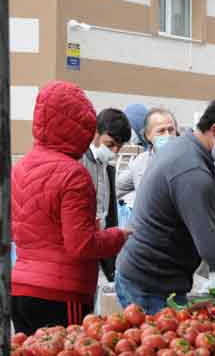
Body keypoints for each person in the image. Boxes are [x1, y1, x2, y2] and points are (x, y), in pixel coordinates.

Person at [115, 93, 215, 318]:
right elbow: (210, 247)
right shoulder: (191, 169)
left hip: (154, 278)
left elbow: (183, 211)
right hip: (149, 284)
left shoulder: (184, 148)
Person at [11, 81, 130, 334]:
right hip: (61, 292)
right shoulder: (73, 174)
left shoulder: (20, 167)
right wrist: (118, 236)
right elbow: (81, 245)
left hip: (20, 287)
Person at [81, 108, 132, 282]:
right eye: (110, 144)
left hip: (99, 251)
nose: (114, 151)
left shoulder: (107, 168)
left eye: (119, 147)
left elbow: (109, 216)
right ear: (96, 132)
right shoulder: (79, 161)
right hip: (81, 246)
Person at [117, 108, 178, 207]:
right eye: (161, 131)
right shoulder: (140, 162)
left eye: (171, 130)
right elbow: (116, 187)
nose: (167, 135)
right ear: (147, 135)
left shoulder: (186, 160)